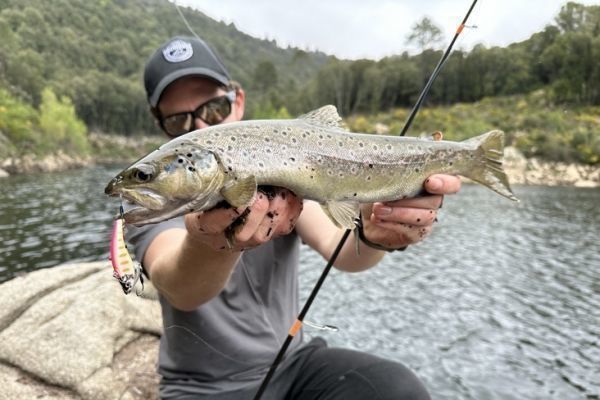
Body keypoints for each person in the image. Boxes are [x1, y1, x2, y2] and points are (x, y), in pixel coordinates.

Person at [127, 36, 461, 400]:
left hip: (293, 363)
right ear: (160, 124)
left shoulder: (280, 158)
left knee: (397, 389)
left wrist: (375, 232)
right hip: (202, 388)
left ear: (237, 101)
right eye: (178, 120)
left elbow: (342, 250)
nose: (200, 129)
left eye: (212, 110)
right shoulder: (153, 194)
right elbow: (182, 290)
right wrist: (212, 243)